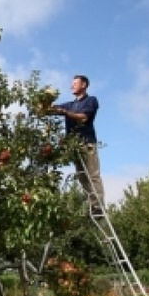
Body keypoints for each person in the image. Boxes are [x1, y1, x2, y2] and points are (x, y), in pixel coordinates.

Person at [52, 75, 104, 214]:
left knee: (93, 175)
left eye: (75, 83)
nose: (72, 86)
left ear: (84, 85)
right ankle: (93, 205)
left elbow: (83, 117)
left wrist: (65, 112)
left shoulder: (91, 101)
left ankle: (98, 206)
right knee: (82, 177)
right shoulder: (70, 105)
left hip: (87, 143)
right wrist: (43, 105)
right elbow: (54, 109)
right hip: (74, 145)